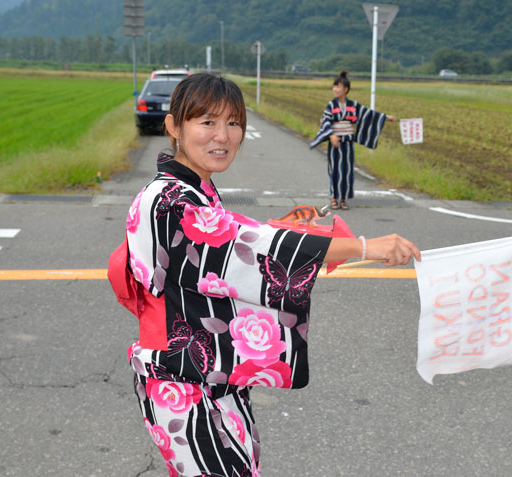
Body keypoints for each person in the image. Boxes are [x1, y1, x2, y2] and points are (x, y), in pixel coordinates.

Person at [109, 73, 419, 477]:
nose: (223, 135)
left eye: (233, 123)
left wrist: (289, 230)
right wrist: (364, 247)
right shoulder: (167, 199)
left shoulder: (194, 191)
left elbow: (231, 237)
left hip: (210, 375)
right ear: (173, 127)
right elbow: (243, 243)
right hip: (182, 381)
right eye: (207, 122)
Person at [310, 71, 396, 210]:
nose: (335, 90)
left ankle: (343, 199)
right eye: (334, 87)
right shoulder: (331, 105)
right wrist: (331, 135)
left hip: (348, 142)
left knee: (347, 170)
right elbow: (325, 121)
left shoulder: (353, 105)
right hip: (335, 143)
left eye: (338, 87)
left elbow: (369, 114)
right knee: (335, 170)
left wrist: (386, 117)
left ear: (346, 90)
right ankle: (334, 197)